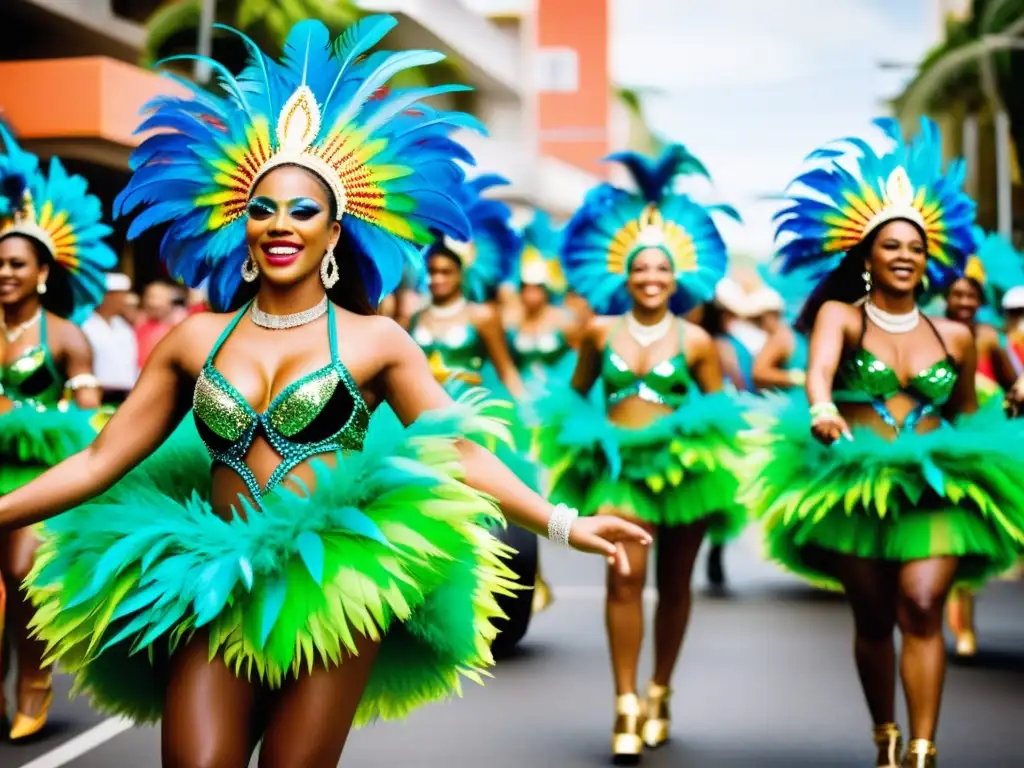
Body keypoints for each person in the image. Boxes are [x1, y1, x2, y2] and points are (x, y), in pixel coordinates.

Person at [0, 19, 651, 765]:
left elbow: (459, 451)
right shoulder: (192, 340)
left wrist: (564, 525)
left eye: (302, 210)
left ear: (335, 230)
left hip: (329, 582)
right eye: (262, 209)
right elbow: (98, 461)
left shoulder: (378, 343)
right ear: (240, 224)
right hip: (214, 580)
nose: (280, 225)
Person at [745, 117, 1024, 768]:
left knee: (923, 605)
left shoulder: (956, 337)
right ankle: (886, 736)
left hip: (935, 487)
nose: (904, 255)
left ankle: (923, 749)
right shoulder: (840, 316)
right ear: (867, 256)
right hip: (855, 484)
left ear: (928, 260)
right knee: (873, 622)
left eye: (915, 248)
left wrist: (1008, 405)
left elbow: (964, 412)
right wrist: (820, 406)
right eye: (891, 245)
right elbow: (818, 370)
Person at [536, 146, 747, 762]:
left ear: (677, 277)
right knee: (624, 580)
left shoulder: (701, 340)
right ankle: (625, 700)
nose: (651, 278)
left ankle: (661, 688)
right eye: (640, 270)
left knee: (676, 588)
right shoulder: (599, 333)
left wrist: (695, 442)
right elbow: (572, 397)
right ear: (623, 277)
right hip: (622, 472)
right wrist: (589, 439)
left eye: (661, 270)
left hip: (685, 475)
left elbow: (719, 413)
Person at [0, 124, 114, 738]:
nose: (5, 273)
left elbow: (90, 418)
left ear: (42, 270)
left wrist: (30, 416)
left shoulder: (66, 337)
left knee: (20, 571)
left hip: (37, 473)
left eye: (16, 264)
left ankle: (36, 682)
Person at [82, 272, 140, 405]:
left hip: (125, 396)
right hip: (97, 397)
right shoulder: (85, 326)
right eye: (121, 295)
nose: (124, 300)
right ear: (108, 296)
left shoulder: (125, 328)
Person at [135, 280, 179, 367]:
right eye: (149, 297)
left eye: (158, 297)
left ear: (169, 302)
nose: (153, 303)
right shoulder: (136, 325)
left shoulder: (177, 330)